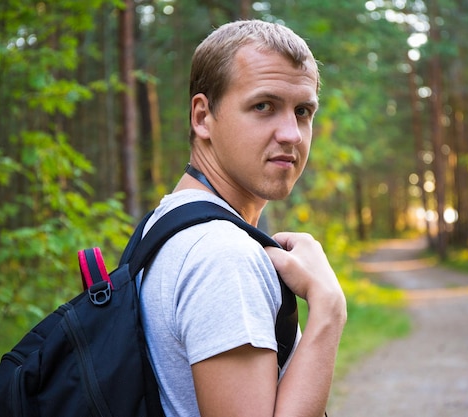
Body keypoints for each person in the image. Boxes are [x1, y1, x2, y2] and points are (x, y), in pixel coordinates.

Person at [138, 19, 347, 417]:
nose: (292, 134)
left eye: (303, 111)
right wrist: (329, 310)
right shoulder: (223, 257)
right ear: (202, 117)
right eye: (263, 106)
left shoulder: (166, 223)